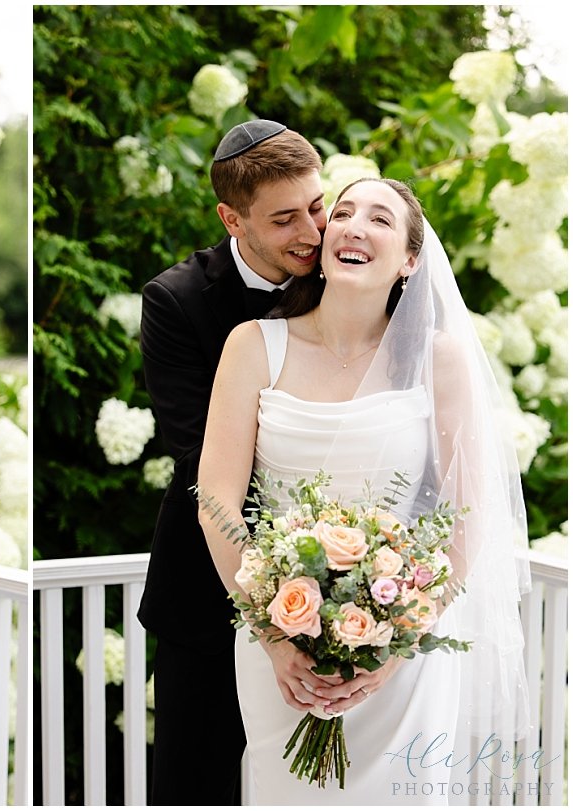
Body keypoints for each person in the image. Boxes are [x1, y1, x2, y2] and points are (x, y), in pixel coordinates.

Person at [196, 177, 531, 803]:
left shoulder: (439, 358)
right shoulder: (253, 346)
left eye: (380, 219)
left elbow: (469, 507)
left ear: (409, 259)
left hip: (405, 649)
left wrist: (402, 639)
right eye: (344, 212)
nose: (353, 225)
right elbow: (215, 499)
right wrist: (274, 636)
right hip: (280, 652)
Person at [137, 119, 326, 805]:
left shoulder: (345, 273)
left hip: (342, 580)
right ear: (231, 217)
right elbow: (197, 455)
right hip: (203, 593)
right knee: (194, 785)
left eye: (316, 205)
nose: (313, 230)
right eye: (285, 219)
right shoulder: (176, 299)